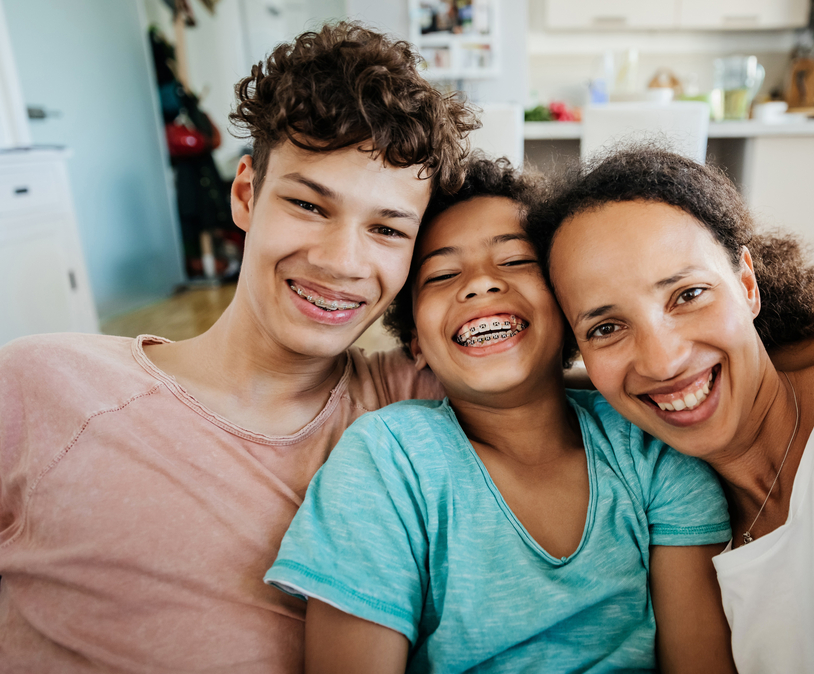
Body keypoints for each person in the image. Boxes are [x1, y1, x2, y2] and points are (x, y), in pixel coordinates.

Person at [0, 22, 478, 673]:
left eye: (387, 229)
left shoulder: (415, 401)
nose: (341, 261)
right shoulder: (44, 385)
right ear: (246, 192)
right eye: (309, 205)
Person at [265, 157, 736, 674]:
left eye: (515, 262)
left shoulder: (650, 447)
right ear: (415, 342)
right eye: (443, 275)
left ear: (571, 309)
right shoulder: (386, 462)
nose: (480, 285)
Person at [534, 147, 814, 674]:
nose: (663, 363)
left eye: (688, 295)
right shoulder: (666, 514)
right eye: (605, 328)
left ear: (747, 286)